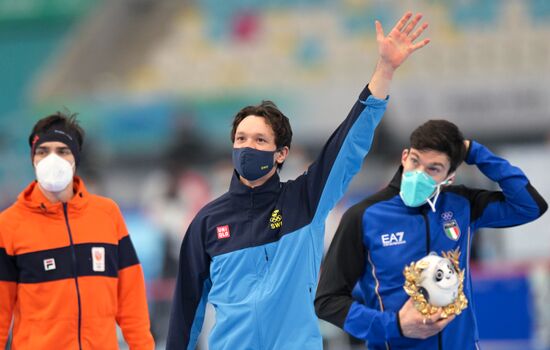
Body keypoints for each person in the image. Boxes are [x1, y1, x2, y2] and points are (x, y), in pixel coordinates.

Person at [167, 11, 431, 350]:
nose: (249, 147)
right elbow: (186, 311)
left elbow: (347, 146)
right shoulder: (206, 222)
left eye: (260, 141)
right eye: (242, 139)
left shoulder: (305, 200)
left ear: (281, 154)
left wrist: (385, 70)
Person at [315, 119, 548, 349]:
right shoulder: (363, 216)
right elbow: (327, 301)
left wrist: (474, 152)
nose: (419, 173)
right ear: (404, 156)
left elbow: (530, 206)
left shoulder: (462, 204)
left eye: (433, 168)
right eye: (415, 161)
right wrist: (394, 325)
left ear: (450, 176)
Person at [0, 113, 155, 349]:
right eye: (43, 151)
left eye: (62, 151)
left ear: (75, 158)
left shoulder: (107, 214)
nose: (52, 159)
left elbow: (131, 298)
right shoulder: (9, 225)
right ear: (33, 159)